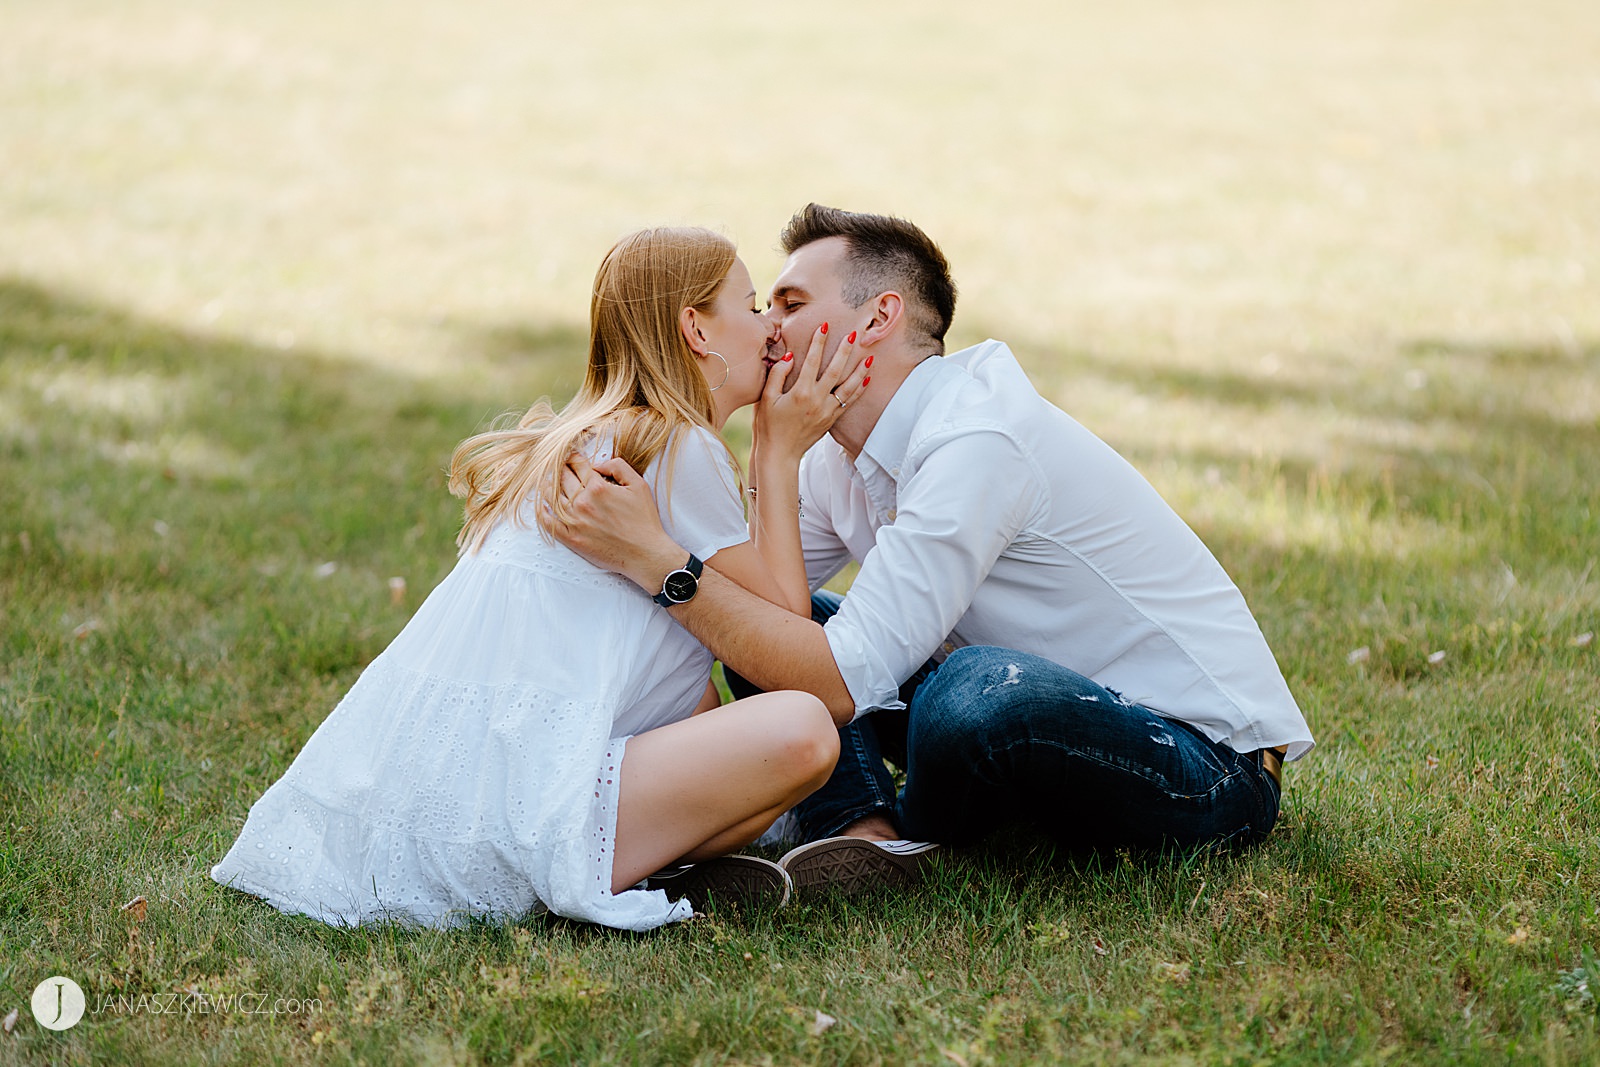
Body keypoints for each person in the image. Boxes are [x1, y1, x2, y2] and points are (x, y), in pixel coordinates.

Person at [551, 204, 1315, 894]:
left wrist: (661, 563)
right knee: (795, 625)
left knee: (976, 692)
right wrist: (770, 459)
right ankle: (861, 836)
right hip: (1042, 715)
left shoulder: (976, 438)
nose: (770, 328)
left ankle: (914, 828)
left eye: (790, 303)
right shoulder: (828, 460)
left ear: (879, 316)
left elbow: (843, 680)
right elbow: (760, 613)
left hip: (1201, 761)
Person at [211, 226, 871, 931]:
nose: (771, 325)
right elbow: (787, 635)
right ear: (696, 330)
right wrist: (778, 450)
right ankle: (616, 859)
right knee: (802, 730)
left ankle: (650, 849)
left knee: (706, 697)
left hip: (466, 794)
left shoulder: (587, 435)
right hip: (532, 810)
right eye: (750, 305)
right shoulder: (681, 446)